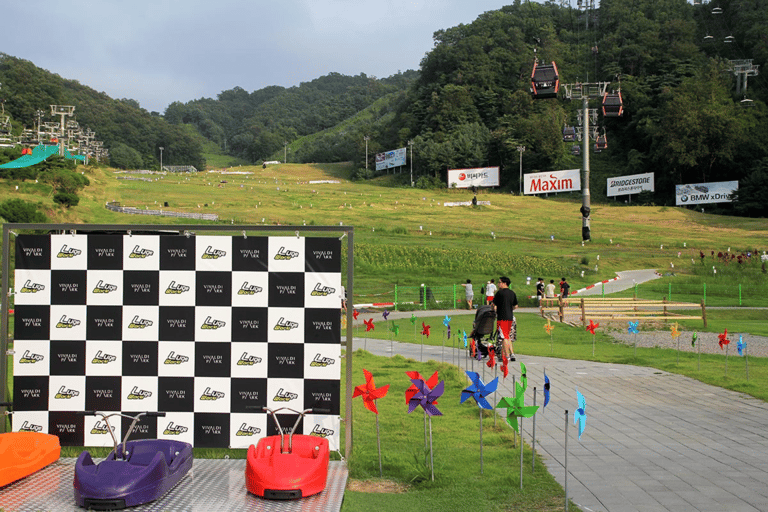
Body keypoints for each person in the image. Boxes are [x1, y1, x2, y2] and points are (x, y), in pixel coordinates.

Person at [493, 276, 518, 366]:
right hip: (510, 317)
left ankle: (506, 355)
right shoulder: (512, 293)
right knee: (507, 336)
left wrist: (495, 310)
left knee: (504, 337)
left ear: (504, 283)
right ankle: (511, 353)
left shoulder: (499, 293)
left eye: (499, 282)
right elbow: (515, 306)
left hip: (502, 317)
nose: (498, 284)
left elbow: (494, 305)